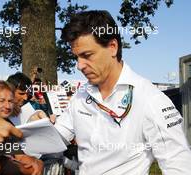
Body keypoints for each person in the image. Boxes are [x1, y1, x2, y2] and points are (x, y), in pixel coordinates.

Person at [54, 10, 191, 174]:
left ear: (112, 47)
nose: (79, 65)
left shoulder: (150, 99)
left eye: (87, 55)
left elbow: (179, 166)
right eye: (76, 57)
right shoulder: (80, 95)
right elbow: (56, 137)